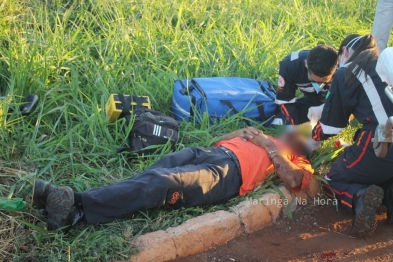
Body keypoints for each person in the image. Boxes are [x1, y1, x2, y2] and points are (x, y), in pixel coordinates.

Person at [33, 127, 313, 231]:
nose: (294, 131)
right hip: (209, 153)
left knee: (162, 183)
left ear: (305, 145)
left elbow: (292, 181)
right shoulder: (268, 136)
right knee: (152, 175)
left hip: (227, 175)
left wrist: (268, 145)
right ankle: (74, 202)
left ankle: (76, 210)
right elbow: (220, 140)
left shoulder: (297, 161)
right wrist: (241, 132)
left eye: (302, 133)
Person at [310, 34, 393, 238]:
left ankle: (360, 197)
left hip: (381, 143)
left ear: (345, 52)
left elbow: (331, 127)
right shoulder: (385, 61)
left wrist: (313, 132)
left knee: (331, 178)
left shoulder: (348, 70)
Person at [272, 45, 338, 126]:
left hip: (335, 103)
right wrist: (291, 126)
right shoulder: (290, 66)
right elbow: (285, 100)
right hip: (311, 101)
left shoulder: (345, 70)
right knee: (278, 122)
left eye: (325, 81)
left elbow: (351, 102)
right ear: (306, 64)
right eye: (314, 81)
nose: (319, 85)